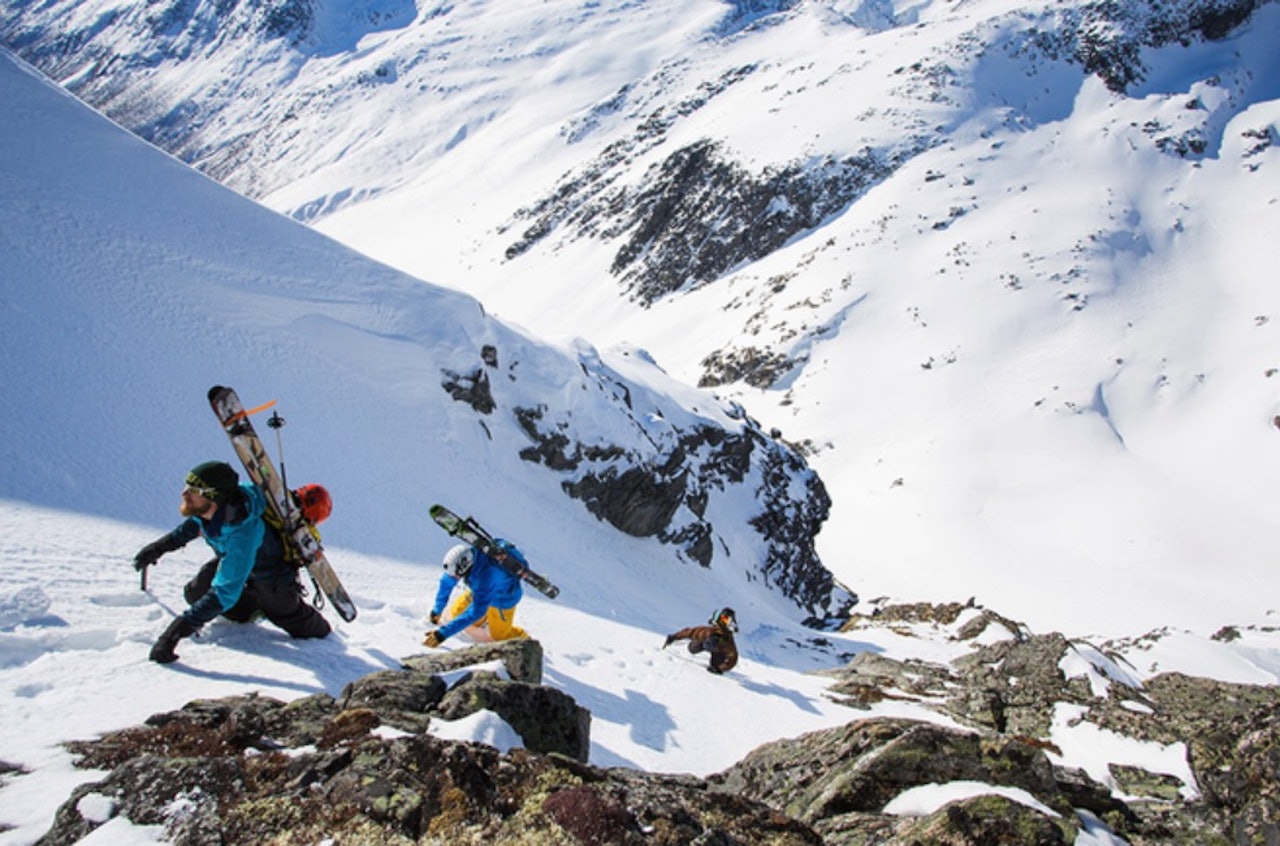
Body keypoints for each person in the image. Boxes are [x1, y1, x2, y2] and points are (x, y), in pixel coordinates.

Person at [132, 462, 330, 663]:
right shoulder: (217, 507)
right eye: (187, 486)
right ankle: (250, 605)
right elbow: (194, 525)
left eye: (193, 490)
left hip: (272, 578)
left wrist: (171, 636)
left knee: (294, 620)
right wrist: (157, 548)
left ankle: (303, 620)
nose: (184, 493)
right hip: (235, 561)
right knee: (195, 593)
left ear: (214, 497)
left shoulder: (244, 535)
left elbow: (224, 592)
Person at [423, 541, 528, 647]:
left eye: (457, 575)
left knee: (499, 636)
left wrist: (442, 634)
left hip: (502, 600)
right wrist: (437, 609)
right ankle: (483, 622)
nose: (455, 577)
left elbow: (475, 611)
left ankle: (526, 642)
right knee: (456, 613)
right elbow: (447, 581)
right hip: (479, 590)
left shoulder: (488, 575)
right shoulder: (471, 557)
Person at [663, 607, 739, 674]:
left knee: (715, 666)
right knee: (692, 648)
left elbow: (733, 658)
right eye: (722, 618)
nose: (723, 622)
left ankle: (715, 663)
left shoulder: (728, 641)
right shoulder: (708, 632)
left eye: (726, 620)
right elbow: (690, 632)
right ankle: (701, 644)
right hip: (705, 642)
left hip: (719, 652)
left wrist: (721, 668)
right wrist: (674, 637)